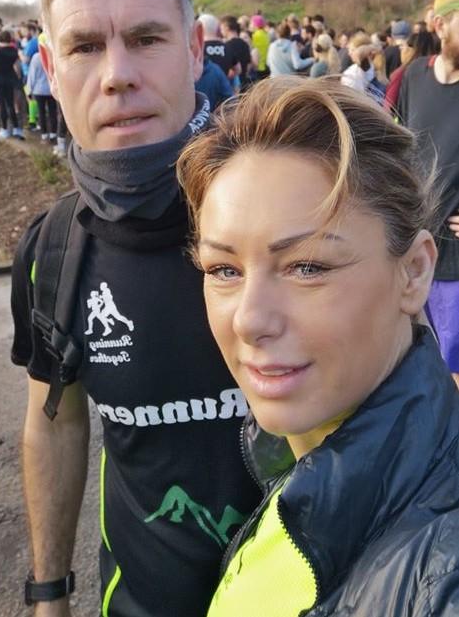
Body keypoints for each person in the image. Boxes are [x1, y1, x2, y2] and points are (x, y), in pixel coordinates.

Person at [10, 0, 262, 617]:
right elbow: (54, 423)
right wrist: (48, 594)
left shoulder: (290, 208)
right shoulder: (52, 249)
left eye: (146, 38)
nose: (117, 73)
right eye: (84, 46)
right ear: (49, 67)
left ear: (194, 49)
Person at [177, 77, 459, 616]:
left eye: (307, 267)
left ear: (414, 272)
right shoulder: (301, 459)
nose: (250, 320)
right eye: (224, 270)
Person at [398, 0, 459, 383]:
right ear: (440, 25)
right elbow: (400, 150)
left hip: (456, 264)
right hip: (411, 254)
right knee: (418, 369)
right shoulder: (413, 76)